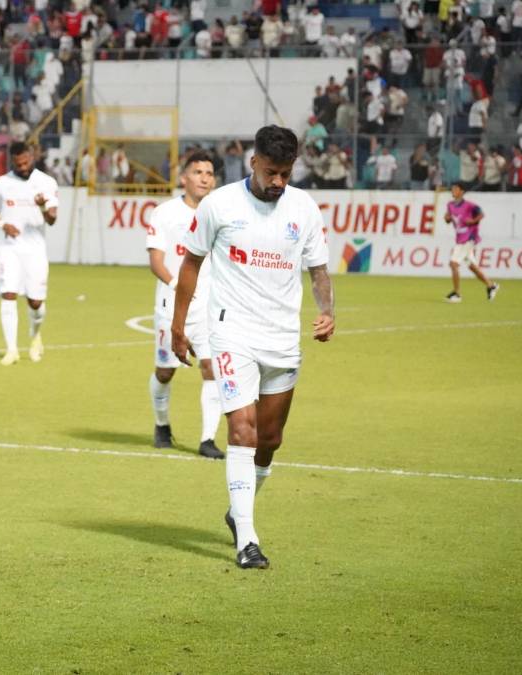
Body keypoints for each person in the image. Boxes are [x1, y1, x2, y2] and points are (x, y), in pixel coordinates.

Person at [171, 125, 335, 570]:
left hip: (281, 338)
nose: (278, 182)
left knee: (269, 440)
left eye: (285, 173)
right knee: (241, 432)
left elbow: (319, 272)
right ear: (253, 163)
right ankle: (247, 537)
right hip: (232, 333)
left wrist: (328, 311)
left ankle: (237, 509)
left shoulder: (304, 209)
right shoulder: (220, 204)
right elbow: (190, 265)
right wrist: (178, 324)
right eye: (271, 172)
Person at [145, 150, 225, 459]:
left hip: (208, 306)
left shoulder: (219, 213)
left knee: (211, 368)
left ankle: (208, 439)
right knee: (165, 372)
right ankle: (161, 425)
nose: (205, 177)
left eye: (209, 173)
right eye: (198, 172)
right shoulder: (165, 213)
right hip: (171, 307)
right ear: (184, 178)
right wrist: (179, 287)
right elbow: (156, 261)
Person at [0, 142, 59, 365]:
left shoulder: (46, 182)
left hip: (35, 250)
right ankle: (11, 350)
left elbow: (52, 219)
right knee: (8, 294)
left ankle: (35, 335)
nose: (23, 167)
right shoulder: (1, 183)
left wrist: (43, 206)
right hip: (9, 248)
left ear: (32, 157)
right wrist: (3, 225)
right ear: (13, 162)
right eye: (18, 164)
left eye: (26, 162)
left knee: (35, 302)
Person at [443, 182, 499, 303]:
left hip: (469, 238)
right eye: (452, 188)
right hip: (460, 238)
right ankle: (491, 285)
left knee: (453, 264)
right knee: (472, 266)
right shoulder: (450, 205)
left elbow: (481, 214)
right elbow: (448, 218)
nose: (453, 190)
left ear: (462, 192)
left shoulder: (469, 206)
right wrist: (446, 218)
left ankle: (457, 294)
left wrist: (473, 221)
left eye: (455, 189)